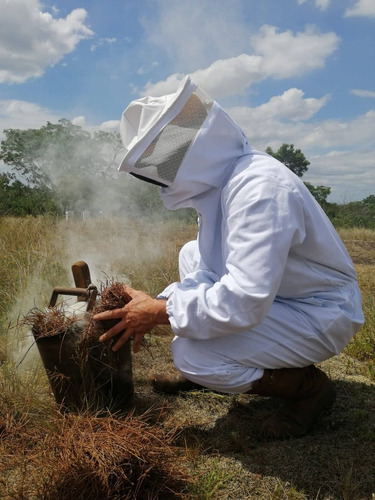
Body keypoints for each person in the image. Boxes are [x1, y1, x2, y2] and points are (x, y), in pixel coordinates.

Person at [94, 76, 364, 439]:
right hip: (285, 296)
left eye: (160, 156)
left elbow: (244, 301)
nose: (159, 169)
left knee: (192, 354)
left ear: (181, 149)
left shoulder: (258, 190)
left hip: (320, 312)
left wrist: (159, 313)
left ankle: (308, 389)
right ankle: (213, 373)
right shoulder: (227, 181)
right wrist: (158, 303)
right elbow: (210, 269)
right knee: (191, 253)